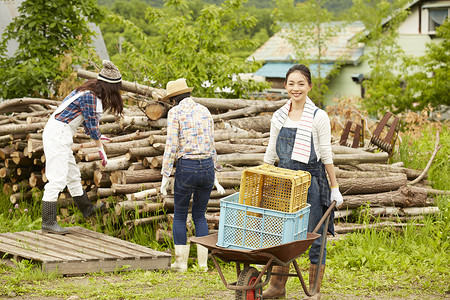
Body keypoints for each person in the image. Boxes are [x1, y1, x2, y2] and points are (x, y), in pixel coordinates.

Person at [263, 64, 343, 299]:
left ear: (309, 86)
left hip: (311, 182)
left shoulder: (319, 117)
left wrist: (335, 188)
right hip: (284, 182)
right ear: (285, 86)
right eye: (291, 83)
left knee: (314, 237)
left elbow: (326, 154)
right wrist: (264, 177)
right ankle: (277, 286)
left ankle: (314, 290)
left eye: (301, 83)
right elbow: (270, 153)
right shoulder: (279, 117)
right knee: (281, 235)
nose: (295, 88)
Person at [41, 60, 123, 235]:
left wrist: (99, 137)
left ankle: (88, 210)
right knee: (57, 179)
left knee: (73, 175)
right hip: (59, 134)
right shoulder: (90, 97)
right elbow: (92, 127)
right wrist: (101, 149)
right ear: (110, 87)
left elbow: (87, 122)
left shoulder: (86, 92)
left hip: (59, 133)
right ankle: (48, 222)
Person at [160, 78, 225, 272]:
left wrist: (165, 175)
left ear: (173, 99)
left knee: (180, 215)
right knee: (200, 215)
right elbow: (211, 144)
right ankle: (203, 264)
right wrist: (216, 174)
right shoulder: (204, 110)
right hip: (206, 167)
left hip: (186, 167)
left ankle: (181, 264)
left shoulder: (175, 112)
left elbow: (171, 145)